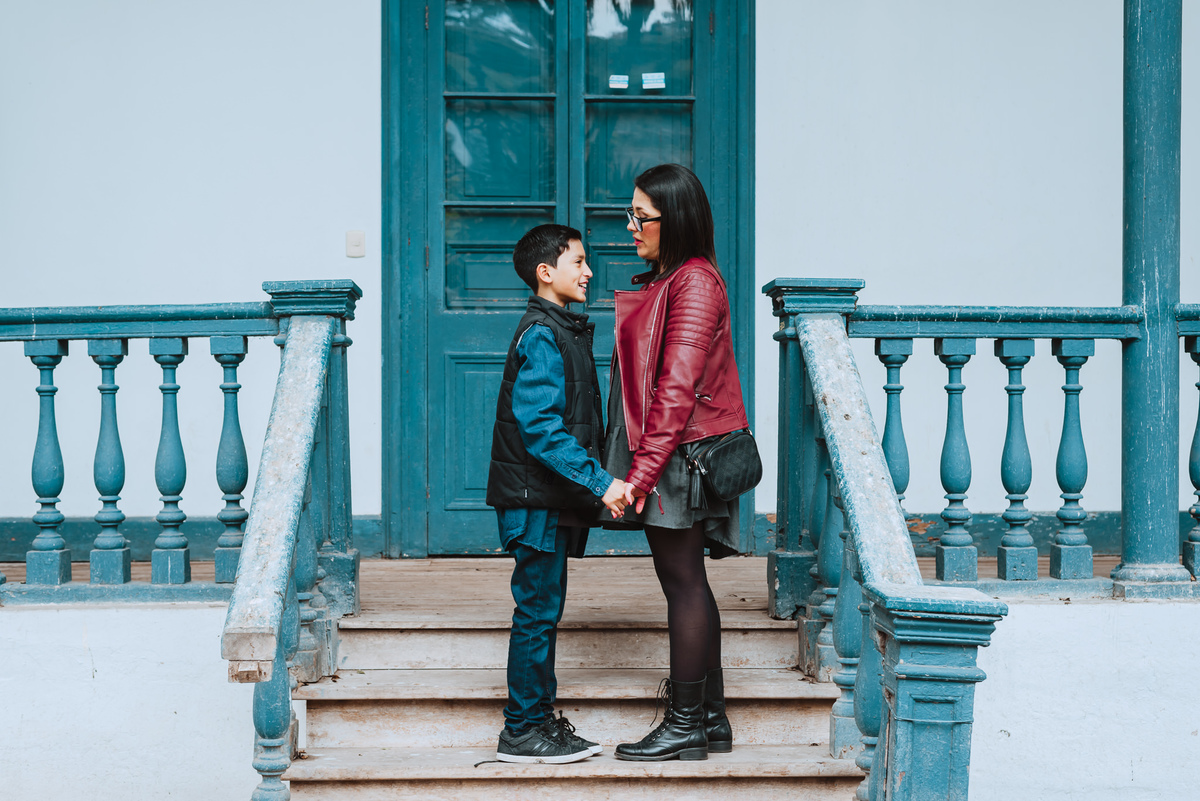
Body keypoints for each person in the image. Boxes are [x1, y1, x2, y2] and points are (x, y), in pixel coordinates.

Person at [604, 164, 750, 762]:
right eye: (630, 213)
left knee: (684, 584)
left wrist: (640, 474)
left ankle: (687, 722)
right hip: (673, 452)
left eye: (643, 216)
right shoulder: (675, 279)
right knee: (687, 582)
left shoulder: (693, 283)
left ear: (676, 218)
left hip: (677, 458)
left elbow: (676, 388)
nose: (632, 225)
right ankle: (710, 721)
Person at [486, 223, 629, 764]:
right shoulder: (543, 335)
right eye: (579, 262)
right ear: (547, 273)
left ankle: (539, 721)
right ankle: (521, 731)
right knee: (536, 614)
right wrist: (601, 482)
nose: (589, 271)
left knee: (543, 612)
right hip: (534, 502)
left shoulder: (563, 329)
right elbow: (542, 429)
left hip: (547, 501)